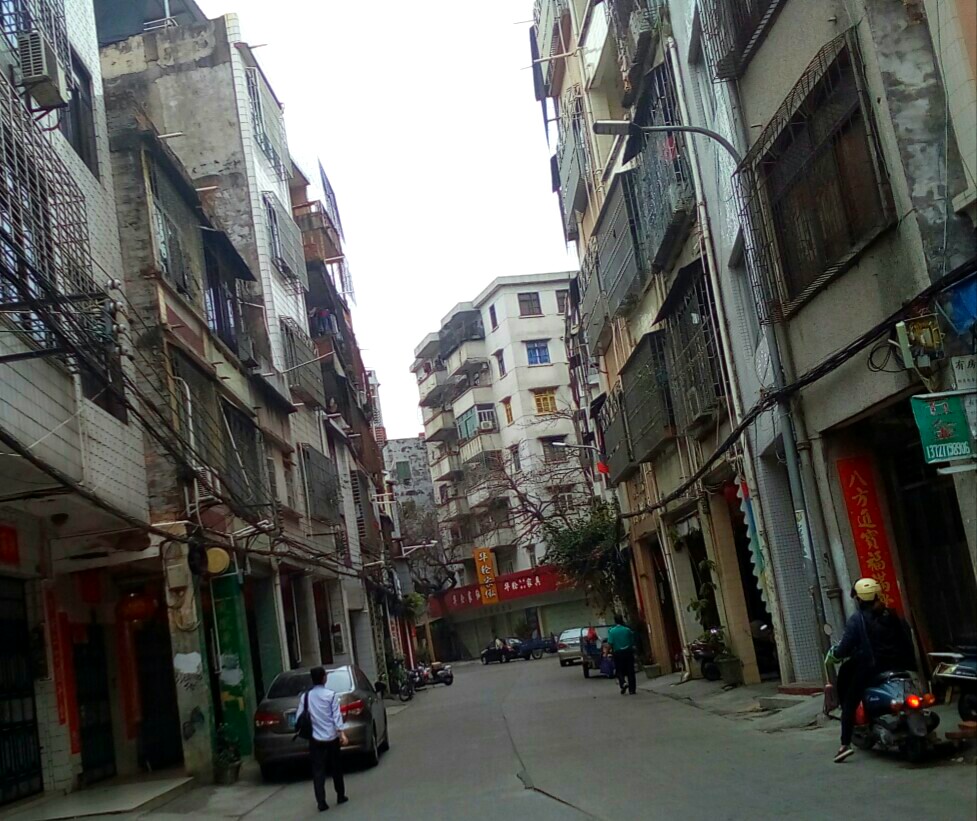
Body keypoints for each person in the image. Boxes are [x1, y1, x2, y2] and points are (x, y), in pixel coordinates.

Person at [825, 577, 915, 764]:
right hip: (898, 666)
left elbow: (844, 648)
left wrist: (835, 654)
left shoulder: (857, 620)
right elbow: (906, 639)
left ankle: (844, 745)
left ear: (859, 599)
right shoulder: (892, 615)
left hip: (872, 668)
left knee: (849, 702)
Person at [295, 666, 349, 811]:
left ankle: (321, 802)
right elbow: (336, 717)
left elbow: (299, 717)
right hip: (332, 737)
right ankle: (340, 795)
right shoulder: (331, 695)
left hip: (315, 739)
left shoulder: (305, 697)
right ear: (324, 678)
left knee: (318, 771)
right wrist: (342, 734)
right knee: (336, 768)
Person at [607, 615, 637, 695]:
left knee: (619, 670)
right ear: (622, 620)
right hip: (628, 652)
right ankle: (632, 690)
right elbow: (632, 641)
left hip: (618, 653)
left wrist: (606, 653)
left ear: (615, 621)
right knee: (630, 670)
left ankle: (623, 683)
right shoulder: (627, 630)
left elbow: (610, 643)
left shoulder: (612, 631)